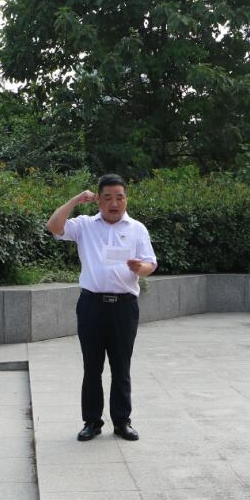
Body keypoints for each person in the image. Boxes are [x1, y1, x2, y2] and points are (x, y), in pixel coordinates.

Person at [47, 174, 158, 441]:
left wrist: (140, 268)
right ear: (98, 200)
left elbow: (150, 264)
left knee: (121, 367)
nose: (114, 203)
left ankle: (122, 422)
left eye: (119, 197)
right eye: (107, 198)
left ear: (126, 199)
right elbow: (53, 226)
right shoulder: (85, 225)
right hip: (92, 306)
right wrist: (75, 200)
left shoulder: (137, 229)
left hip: (124, 308)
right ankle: (92, 422)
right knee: (92, 367)